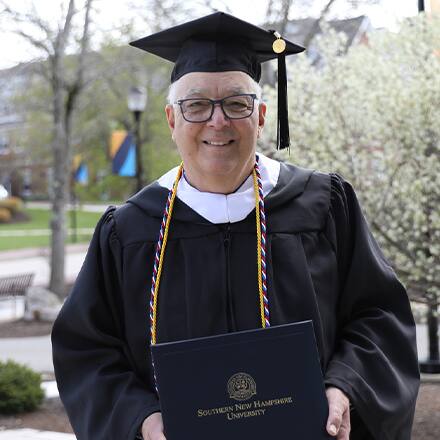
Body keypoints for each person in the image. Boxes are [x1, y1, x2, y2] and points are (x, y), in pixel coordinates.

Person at [51, 11, 420, 440]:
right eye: (196, 105)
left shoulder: (323, 207)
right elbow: (88, 353)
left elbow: (378, 318)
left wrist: (346, 387)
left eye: (236, 103)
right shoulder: (131, 230)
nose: (217, 120)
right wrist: (144, 421)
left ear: (261, 116)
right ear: (172, 120)